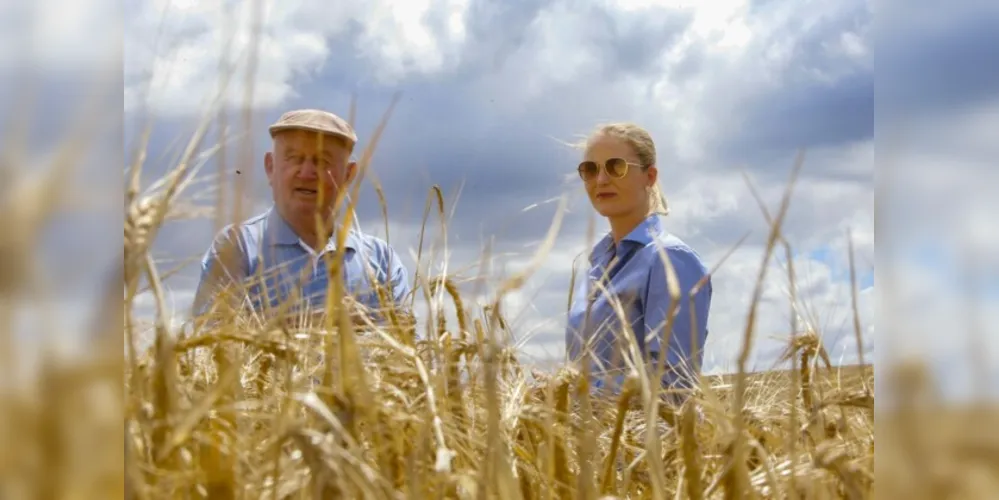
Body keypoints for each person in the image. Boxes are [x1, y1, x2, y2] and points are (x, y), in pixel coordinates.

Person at [191, 108, 412, 325]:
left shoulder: (382, 260)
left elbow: (406, 349)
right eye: (294, 158)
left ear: (348, 174)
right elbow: (217, 349)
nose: (306, 173)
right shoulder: (237, 248)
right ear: (270, 167)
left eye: (322, 161)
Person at [564, 122, 712, 403]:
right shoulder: (596, 266)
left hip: (648, 445)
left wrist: (584, 402)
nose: (601, 180)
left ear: (650, 176)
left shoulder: (670, 259)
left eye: (616, 167)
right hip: (588, 444)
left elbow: (674, 387)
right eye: (590, 170)